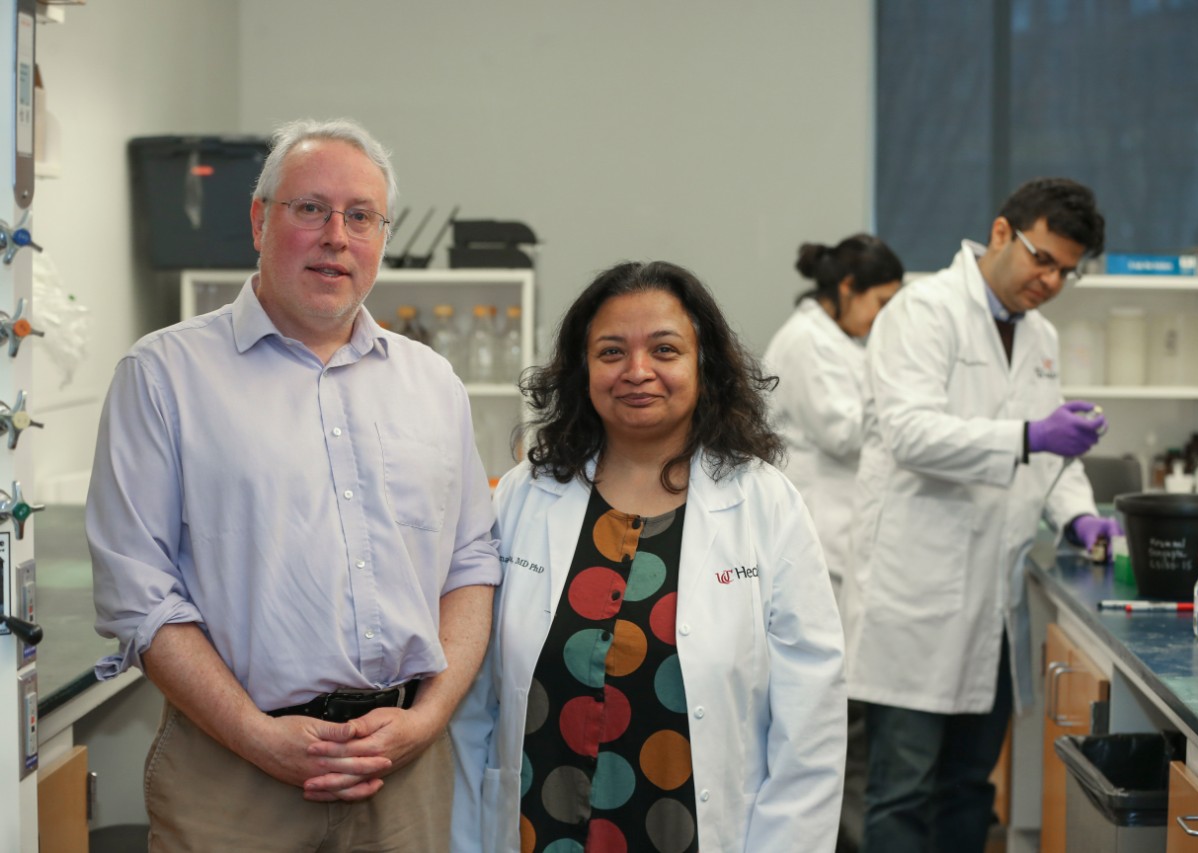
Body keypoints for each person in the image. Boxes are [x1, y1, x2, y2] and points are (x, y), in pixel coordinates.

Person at [87, 118, 500, 851]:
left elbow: (471, 564)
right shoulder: (163, 376)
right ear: (259, 220)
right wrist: (255, 735)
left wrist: (427, 719)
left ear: (382, 236)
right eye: (311, 209)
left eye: (361, 216)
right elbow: (138, 593)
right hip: (231, 776)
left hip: (403, 775)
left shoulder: (432, 383)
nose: (337, 236)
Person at [450, 261, 847, 852]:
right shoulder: (521, 499)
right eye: (611, 352)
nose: (637, 371)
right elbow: (472, 703)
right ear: (582, 369)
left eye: (665, 349)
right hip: (539, 828)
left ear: (703, 363)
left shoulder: (766, 504)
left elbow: (810, 719)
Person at [844, 178, 1121, 853]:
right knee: (903, 793)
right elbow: (911, 434)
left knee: (970, 789)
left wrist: (1079, 516)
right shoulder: (923, 311)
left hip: (992, 607)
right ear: (1002, 233)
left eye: (1066, 271)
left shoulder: (1041, 336)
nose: (1051, 281)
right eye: (1042, 259)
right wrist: (1031, 435)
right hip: (916, 600)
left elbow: (1054, 454)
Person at [762, 233, 903, 853]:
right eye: (881, 302)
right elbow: (845, 434)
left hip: (846, 537)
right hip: (820, 538)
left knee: (845, 708)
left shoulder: (841, 340)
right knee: (825, 708)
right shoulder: (805, 342)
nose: (884, 318)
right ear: (846, 288)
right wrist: (904, 405)